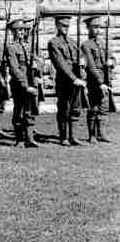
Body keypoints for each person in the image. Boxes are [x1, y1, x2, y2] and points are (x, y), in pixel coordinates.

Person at [48, 15, 86, 146]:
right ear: (57, 26)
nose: (65, 28)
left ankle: (73, 136)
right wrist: (74, 78)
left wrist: (82, 64)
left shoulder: (73, 42)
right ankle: (63, 137)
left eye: (67, 26)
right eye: (63, 25)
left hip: (76, 78)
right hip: (64, 80)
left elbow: (81, 57)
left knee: (75, 108)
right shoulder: (53, 42)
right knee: (64, 108)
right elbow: (60, 63)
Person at [4, 18, 39, 147]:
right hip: (19, 84)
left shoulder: (28, 46)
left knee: (30, 109)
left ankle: (30, 138)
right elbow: (14, 68)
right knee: (19, 110)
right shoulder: (11, 47)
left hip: (31, 80)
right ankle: (19, 139)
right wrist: (25, 85)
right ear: (13, 31)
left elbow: (38, 61)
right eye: (18, 30)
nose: (21, 32)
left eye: (23, 30)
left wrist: (37, 66)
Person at [82, 16, 112, 143]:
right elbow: (91, 65)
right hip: (94, 80)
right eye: (94, 27)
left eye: (99, 27)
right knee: (93, 108)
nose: (98, 30)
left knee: (103, 108)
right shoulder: (86, 45)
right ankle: (92, 135)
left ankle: (101, 133)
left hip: (105, 78)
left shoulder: (102, 44)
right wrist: (100, 83)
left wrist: (111, 62)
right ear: (88, 28)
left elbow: (111, 57)